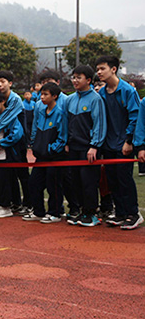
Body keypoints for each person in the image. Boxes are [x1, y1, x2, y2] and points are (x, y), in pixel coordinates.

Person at [94, 55, 141, 229]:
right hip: (108, 144)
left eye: (102, 68)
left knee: (124, 179)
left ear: (113, 69)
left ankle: (133, 214)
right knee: (112, 180)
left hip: (123, 144)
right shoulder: (102, 94)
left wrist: (129, 140)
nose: (99, 72)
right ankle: (120, 213)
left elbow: (135, 117)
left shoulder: (128, 91)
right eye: (97, 69)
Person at [0, 71, 30, 215]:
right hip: (1, 146)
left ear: (10, 83)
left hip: (17, 144)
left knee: (22, 175)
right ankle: (13, 203)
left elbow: (6, 119)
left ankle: (29, 204)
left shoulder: (15, 99)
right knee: (7, 177)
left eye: (2, 81)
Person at [66, 64, 106, 227]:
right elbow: (66, 123)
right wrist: (67, 143)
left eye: (79, 78)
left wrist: (94, 146)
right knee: (74, 181)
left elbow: (99, 124)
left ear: (88, 80)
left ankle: (91, 213)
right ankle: (82, 211)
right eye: (73, 77)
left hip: (88, 148)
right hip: (73, 147)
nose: (75, 80)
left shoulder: (96, 99)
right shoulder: (70, 99)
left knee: (88, 181)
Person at [23, 81, 67, 223]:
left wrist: (51, 149)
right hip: (40, 156)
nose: (42, 97)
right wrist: (36, 145)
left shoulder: (60, 114)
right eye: (41, 94)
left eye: (45, 94)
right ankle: (38, 211)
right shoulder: (41, 112)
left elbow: (62, 137)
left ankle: (55, 212)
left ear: (54, 96)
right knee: (34, 183)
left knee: (53, 185)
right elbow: (35, 130)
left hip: (54, 157)